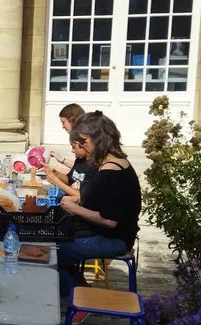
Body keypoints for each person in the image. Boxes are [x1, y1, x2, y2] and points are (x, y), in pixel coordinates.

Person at [57, 112, 141, 310]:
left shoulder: (111, 171)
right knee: (53, 244)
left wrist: (74, 208)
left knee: (52, 255)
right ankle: (82, 294)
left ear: (99, 138)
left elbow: (109, 220)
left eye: (84, 141)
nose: (83, 146)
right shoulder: (107, 164)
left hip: (114, 239)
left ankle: (81, 302)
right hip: (102, 233)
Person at [50, 103, 85, 174]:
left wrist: (54, 170)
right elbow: (80, 168)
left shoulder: (85, 140)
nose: (63, 126)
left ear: (72, 120)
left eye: (63, 122)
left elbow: (81, 173)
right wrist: (61, 160)